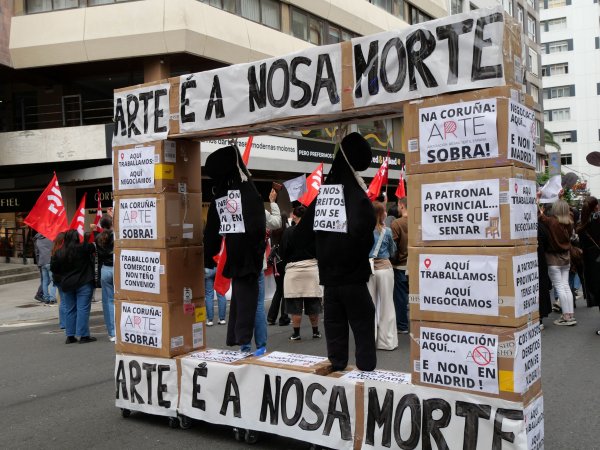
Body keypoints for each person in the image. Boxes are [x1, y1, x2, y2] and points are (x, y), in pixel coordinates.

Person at [300, 132, 377, 371]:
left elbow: (301, 233)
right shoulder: (358, 197)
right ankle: (365, 372)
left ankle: (337, 365)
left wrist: (322, 252)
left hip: (329, 280)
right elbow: (364, 232)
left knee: (334, 325)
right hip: (354, 279)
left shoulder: (324, 196)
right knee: (363, 324)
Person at [203, 145, 266, 352]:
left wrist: (208, 258)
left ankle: (244, 343)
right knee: (251, 302)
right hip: (252, 260)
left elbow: (211, 232)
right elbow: (260, 226)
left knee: (244, 301)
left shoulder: (222, 196)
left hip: (236, 259)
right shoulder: (251, 191)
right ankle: (253, 344)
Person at [241, 188, 282, 353]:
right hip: (256, 261)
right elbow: (277, 222)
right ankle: (261, 346)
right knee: (258, 304)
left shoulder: (234, 209)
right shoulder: (259, 210)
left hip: (239, 264)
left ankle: (244, 346)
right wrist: (272, 202)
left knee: (243, 304)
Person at [280, 205, 322, 341]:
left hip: (293, 271)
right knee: (313, 302)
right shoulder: (314, 231)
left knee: (295, 305)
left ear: (294, 216)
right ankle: (315, 331)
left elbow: (283, 252)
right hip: (311, 269)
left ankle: (296, 333)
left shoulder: (288, 232)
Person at [51, 229, 96, 343]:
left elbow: (54, 268)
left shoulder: (59, 252)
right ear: (77, 238)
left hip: (67, 283)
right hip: (84, 281)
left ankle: (70, 335)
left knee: (70, 309)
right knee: (83, 309)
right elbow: (92, 247)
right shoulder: (83, 248)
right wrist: (89, 235)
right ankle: (83, 335)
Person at [538, 197, 576, 326]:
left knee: (559, 287)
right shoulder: (570, 222)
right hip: (566, 257)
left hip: (553, 258)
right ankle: (570, 315)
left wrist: (538, 200)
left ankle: (566, 317)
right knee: (566, 286)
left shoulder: (551, 221)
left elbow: (539, 216)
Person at [368, 201, 398, 350]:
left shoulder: (364, 231)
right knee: (387, 305)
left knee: (369, 307)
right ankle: (387, 342)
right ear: (381, 214)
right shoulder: (387, 231)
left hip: (368, 270)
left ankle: (369, 341)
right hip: (385, 269)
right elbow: (392, 251)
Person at [577, 196, 600, 334]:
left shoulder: (582, 225)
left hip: (592, 264)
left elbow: (582, 246)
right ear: (595, 206)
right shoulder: (597, 220)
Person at [267, 211, 290, 326]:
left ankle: (271, 317)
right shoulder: (287, 231)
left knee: (279, 290)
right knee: (285, 290)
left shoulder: (273, 232)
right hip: (285, 262)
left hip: (276, 263)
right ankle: (284, 317)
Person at [390, 197, 409, 334]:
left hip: (400, 266)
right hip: (418, 265)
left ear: (401, 206)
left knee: (401, 297)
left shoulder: (396, 223)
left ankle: (402, 326)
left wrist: (393, 261)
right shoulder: (419, 221)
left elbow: (393, 247)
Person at [95, 215, 115, 342]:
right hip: (116, 268)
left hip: (105, 269)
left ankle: (112, 332)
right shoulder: (116, 236)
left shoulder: (98, 238)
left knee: (108, 302)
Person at [34, 232, 56, 304]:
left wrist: (38, 263)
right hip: (50, 261)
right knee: (53, 281)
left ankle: (46, 298)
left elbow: (37, 253)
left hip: (42, 262)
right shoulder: (51, 238)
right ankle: (52, 298)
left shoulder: (37, 240)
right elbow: (54, 249)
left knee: (44, 281)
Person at [204, 260, 228, 326]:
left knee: (209, 294)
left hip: (208, 268)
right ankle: (222, 319)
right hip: (219, 267)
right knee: (221, 293)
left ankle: (210, 320)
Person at [52, 232, 66, 329]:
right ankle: (65, 322)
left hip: (57, 279)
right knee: (65, 301)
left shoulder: (54, 251)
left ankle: (62, 323)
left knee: (62, 301)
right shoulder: (63, 252)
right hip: (63, 278)